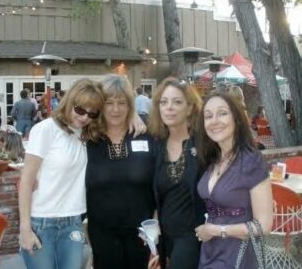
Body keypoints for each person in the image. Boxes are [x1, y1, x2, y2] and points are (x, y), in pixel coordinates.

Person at [18, 79, 105, 269]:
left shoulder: (87, 135)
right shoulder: (45, 129)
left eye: (92, 113)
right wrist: (25, 228)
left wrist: (135, 117)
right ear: (69, 102)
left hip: (73, 221)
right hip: (41, 221)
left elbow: (119, 113)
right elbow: (26, 181)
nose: (84, 117)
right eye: (80, 109)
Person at [194, 93, 273, 269]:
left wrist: (216, 230)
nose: (214, 121)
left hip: (238, 254)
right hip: (210, 250)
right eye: (208, 116)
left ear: (236, 119)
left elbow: (264, 225)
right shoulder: (212, 158)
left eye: (222, 113)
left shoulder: (251, 161)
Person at [86, 75, 155, 269]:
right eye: (109, 103)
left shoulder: (146, 136)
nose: (115, 109)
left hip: (142, 234)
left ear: (130, 105)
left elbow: (158, 182)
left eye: (122, 102)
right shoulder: (88, 139)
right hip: (102, 234)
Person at [148, 77, 205, 269]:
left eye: (177, 102)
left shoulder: (204, 145)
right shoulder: (155, 145)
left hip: (192, 234)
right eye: (164, 102)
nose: (169, 107)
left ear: (189, 108)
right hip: (164, 235)